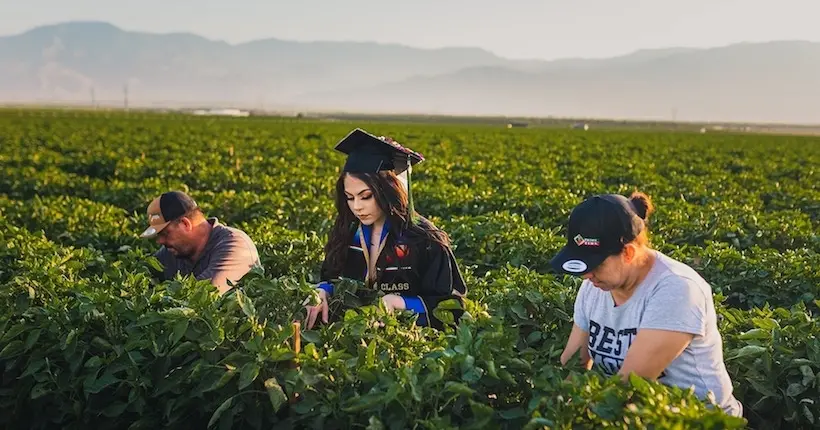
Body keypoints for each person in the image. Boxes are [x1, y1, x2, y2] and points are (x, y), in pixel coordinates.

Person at [552, 191, 743, 418]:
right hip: (642, 417)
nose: (586, 275)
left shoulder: (676, 290)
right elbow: (573, 367)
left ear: (628, 253)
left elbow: (628, 386)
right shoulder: (593, 288)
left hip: (700, 421)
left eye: (596, 264)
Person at [304, 128, 467, 330]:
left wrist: (400, 304)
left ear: (387, 190)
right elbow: (331, 277)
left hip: (409, 346)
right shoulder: (347, 230)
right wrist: (322, 291)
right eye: (349, 197)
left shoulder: (425, 239)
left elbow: (451, 307)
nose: (356, 207)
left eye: (366, 196)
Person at [139, 190, 262, 294]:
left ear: (185, 224)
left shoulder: (235, 245)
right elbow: (140, 273)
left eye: (165, 233)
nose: (160, 241)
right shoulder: (171, 252)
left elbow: (201, 295)